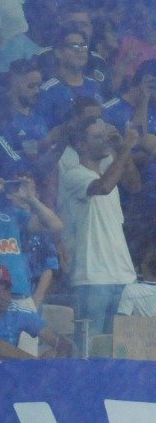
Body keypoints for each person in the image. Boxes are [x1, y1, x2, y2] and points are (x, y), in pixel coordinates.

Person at [57, 117, 141, 335]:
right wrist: (125, 149)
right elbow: (103, 187)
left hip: (123, 275)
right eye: (97, 137)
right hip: (91, 278)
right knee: (89, 350)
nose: (104, 141)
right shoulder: (73, 174)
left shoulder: (108, 168)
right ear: (81, 145)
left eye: (105, 135)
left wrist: (123, 148)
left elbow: (134, 185)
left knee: (121, 349)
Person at [0, 264, 72, 359]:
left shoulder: (17, 310)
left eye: (6, 290)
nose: (2, 295)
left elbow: (60, 342)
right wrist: (37, 364)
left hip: (3, 375)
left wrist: (56, 356)